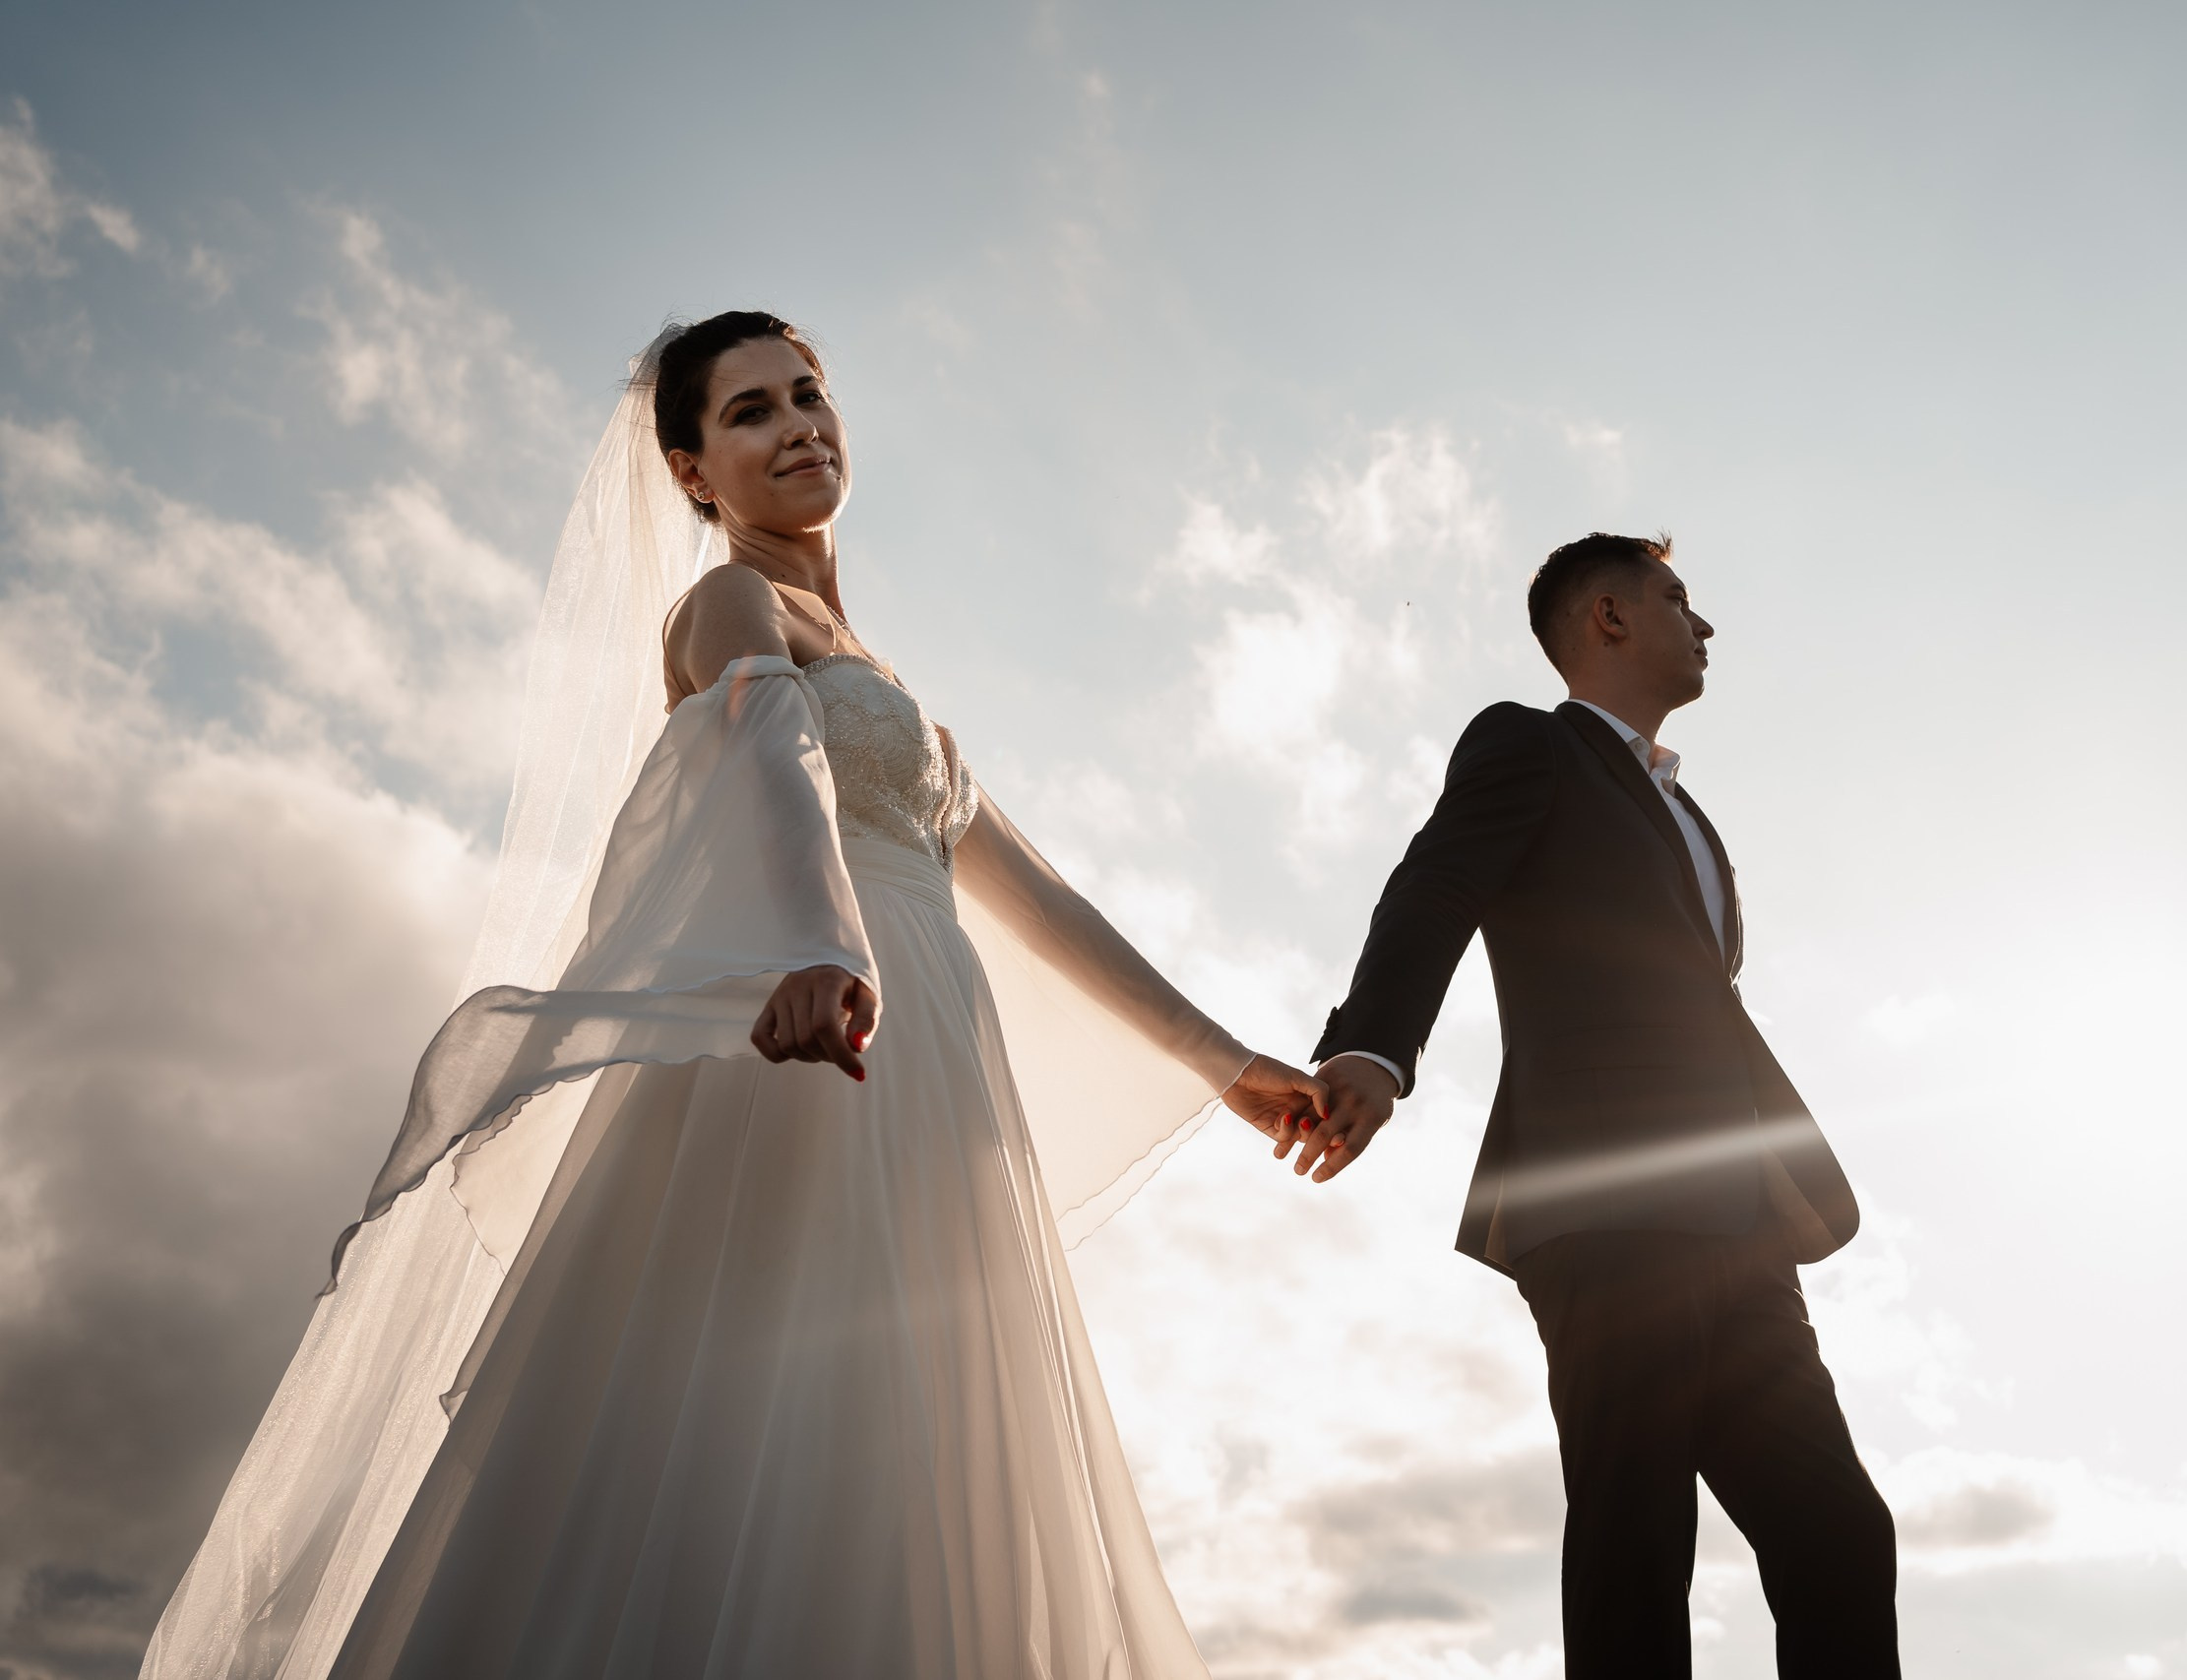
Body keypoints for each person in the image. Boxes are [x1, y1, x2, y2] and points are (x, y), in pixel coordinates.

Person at [141, 312, 1323, 1679]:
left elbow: (1043, 900)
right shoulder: (725, 608)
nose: (798, 423)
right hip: (810, 1038)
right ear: (695, 472)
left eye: (809, 393)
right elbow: (774, 762)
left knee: (921, 1431)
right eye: (750, 410)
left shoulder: (891, 682)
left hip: (935, 1061)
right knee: (765, 1419)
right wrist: (819, 942)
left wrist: (1231, 1065)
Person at [1290, 531, 1901, 1676]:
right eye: (1678, 599)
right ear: (1609, 619)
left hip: (1742, 1217)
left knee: (1840, 1538)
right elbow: (1437, 884)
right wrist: (1375, 1048)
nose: (1703, 624)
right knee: (1636, 1536)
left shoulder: (1690, 816)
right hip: (1607, 1204)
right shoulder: (1529, 746)